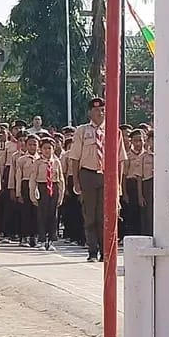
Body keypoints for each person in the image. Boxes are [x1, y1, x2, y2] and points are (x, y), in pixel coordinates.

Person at [69, 97, 126, 262]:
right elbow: (75, 158)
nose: (100, 113)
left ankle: (105, 251)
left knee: (105, 216)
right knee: (90, 215)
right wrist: (76, 181)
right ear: (89, 113)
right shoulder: (82, 131)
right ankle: (92, 251)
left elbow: (119, 160)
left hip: (107, 175)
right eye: (96, 110)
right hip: (88, 174)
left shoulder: (114, 131)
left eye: (102, 110)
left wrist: (118, 184)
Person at [31, 135, 64, 251]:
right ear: (41, 149)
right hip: (42, 187)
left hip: (53, 188)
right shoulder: (37, 162)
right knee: (42, 214)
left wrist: (61, 195)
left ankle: (51, 240)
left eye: (49, 148)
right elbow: (33, 179)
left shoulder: (56, 162)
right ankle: (42, 239)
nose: (47, 151)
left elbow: (60, 180)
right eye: (44, 148)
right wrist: (33, 194)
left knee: (53, 215)